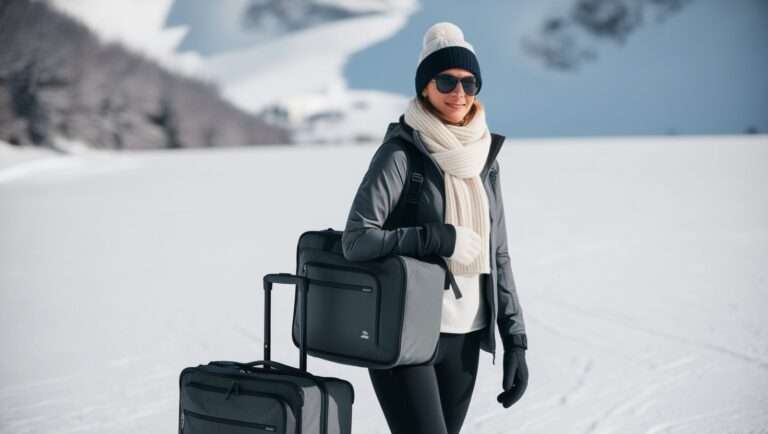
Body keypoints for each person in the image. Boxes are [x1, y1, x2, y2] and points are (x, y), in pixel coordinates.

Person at [341, 22, 528, 434]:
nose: (459, 92)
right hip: (404, 330)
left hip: (466, 337)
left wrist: (515, 340)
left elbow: (498, 255)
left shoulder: (485, 159)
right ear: (425, 86)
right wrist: (436, 238)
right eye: (446, 81)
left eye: (469, 82)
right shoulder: (400, 155)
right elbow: (356, 240)